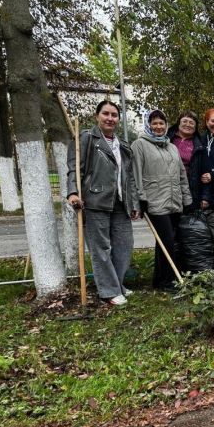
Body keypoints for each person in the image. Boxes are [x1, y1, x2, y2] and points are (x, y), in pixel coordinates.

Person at [66, 100, 140, 306]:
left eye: (114, 115)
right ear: (97, 116)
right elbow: (74, 168)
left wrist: (134, 203)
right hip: (94, 201)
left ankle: (117, 284)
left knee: (124, 245)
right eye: (106, 114)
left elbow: (129, 177)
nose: (110, 118)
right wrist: (72, 192)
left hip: (120, 202)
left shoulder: (123, 145)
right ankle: (109, 291)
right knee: (101, 248)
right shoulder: (86, 139)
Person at [132, 109, 192, 292]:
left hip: (174, 201)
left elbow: (182, 175)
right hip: (154, 202)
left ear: (166, 126)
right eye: (154, 123)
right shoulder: (139, 145)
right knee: (166, 240)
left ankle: (159, 280)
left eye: (161, 123)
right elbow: (135, 175)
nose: (158, 127)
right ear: (148, 125)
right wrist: (139, 200)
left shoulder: (171, 147)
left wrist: (186, 199)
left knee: (166, 242)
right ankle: (168, 281)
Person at [167, 111, 205, 210]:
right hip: (167, 188)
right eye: (184, 121)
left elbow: (203, 171)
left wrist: (205, 197)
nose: (188, 125)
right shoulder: (167, 139)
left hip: (190, 189)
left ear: (195, 127)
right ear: (178, 123)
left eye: (191, 123)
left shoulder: (200, 145)